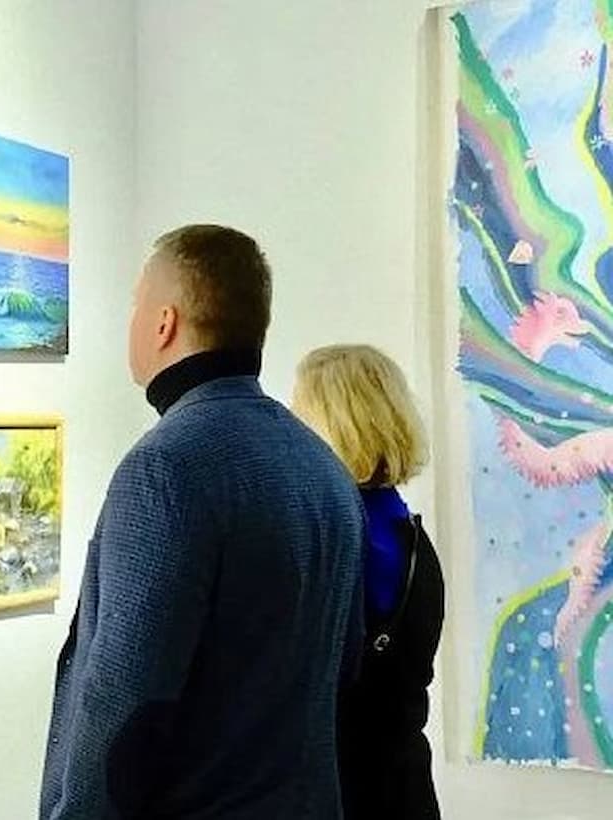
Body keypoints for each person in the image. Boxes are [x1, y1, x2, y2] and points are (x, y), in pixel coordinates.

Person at [39, 224, 367, 819]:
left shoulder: (165, 467)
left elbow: (123, 702)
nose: (131, 320)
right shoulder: (323, 466)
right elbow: (343, 668)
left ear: (164, 323)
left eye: (136, 304)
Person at [291, 344, 445, 820]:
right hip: (402, 787)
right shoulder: (402, 528)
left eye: (299, 415)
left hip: (351, 792)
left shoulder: (344, 537)